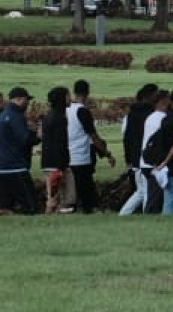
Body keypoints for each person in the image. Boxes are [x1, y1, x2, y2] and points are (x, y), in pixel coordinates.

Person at [66, 80, 113, 214]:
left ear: (74, 92)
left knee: (72, 190)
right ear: (87, 93)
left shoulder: (65, 110)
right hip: (81, 157)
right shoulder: (83, 111)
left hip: (67, 156)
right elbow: (94, 137)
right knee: (86, 190)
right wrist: (107, 154)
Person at [119, 85, 158, 216]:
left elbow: (127, 139)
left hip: (134, 158)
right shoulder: (151, 114)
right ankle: (147, 214)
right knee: (146, 190)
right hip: (146, 158)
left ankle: (124, 213)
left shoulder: (131, 114)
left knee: (141, 191)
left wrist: (128, 159)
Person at [0, 86, 39, 215]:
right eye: (26, 100)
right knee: (31, 206)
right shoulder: (16, 116)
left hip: (2, 167)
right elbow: (25, 140)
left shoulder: (3, 115)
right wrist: (38, 135)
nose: (27, 103)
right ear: (18, 99)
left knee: (5, 206)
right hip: (16, 168)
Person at [40, 87, 71, 213]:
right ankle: (48, 217)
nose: (71, 98)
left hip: (48, 160)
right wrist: (61, 165)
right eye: (68, 96)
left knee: (54, 194)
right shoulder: (59, 118)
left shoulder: (49, 116)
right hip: (55, 163)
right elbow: (60, 143)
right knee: (53, 196)